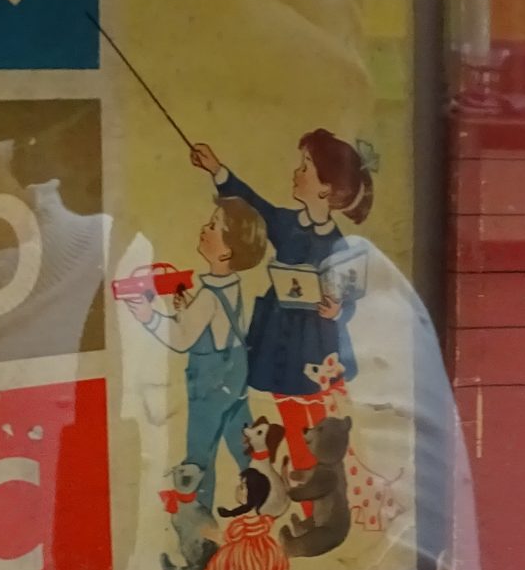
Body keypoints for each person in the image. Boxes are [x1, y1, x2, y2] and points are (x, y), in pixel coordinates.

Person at [188, 133, 373, 472]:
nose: (296, 172)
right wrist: (217, 170)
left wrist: (337, 310)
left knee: (317, 415)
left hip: (314, 341)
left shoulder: (338, 244)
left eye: (306, 167)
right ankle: (302, 475)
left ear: (325, 189)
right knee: (288, 411)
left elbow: (352, 297)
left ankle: (323, 479)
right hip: (278, 335)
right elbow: (254, 204)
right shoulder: (286, 223)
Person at [119, 196, 270, 524]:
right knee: (245, 444)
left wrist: (148, 316)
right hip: (234, 379)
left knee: (199, 457)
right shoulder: (230, 285)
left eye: (214, 226)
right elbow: (216, 326)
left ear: (226, 252)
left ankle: (198, 528)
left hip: (209, 387)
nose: (205, 228)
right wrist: (186, 309)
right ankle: (269, 501)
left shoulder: (208, 295)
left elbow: (180, 339)